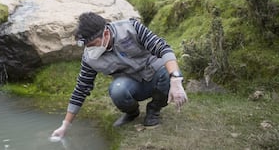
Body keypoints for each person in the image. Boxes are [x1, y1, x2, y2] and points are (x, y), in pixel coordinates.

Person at [51, 12, 187, 139]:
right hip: (131, 84)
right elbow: (81, 88)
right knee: (117, 90)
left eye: (93, 45)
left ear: (105, 33)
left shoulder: (131, 27)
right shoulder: (90, 58)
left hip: (154, 73)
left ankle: (154, 110)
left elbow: (163, 48)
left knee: (166, 73)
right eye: (87, 46)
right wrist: (65, 125)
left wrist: (176, 80)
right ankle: (132, 113)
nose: (90, 49)